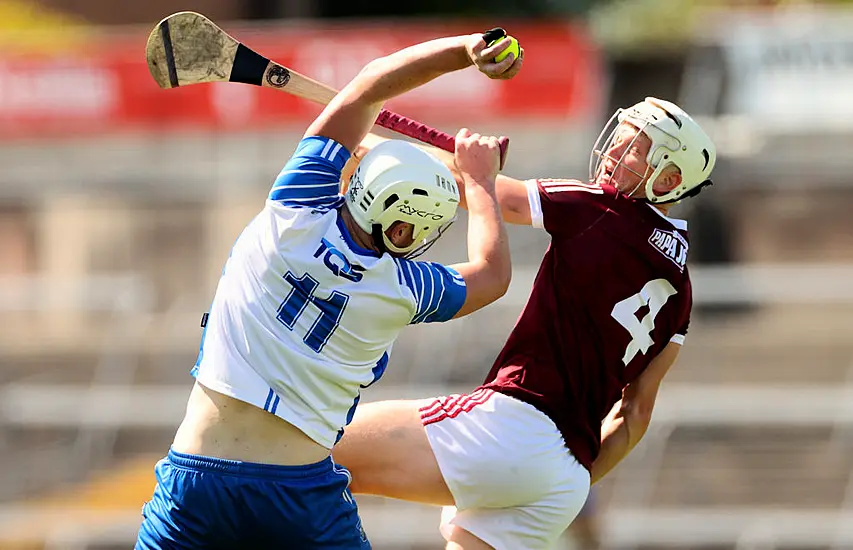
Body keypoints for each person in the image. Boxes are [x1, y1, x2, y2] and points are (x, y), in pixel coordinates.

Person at [135, 31, 523, 549]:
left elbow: (368, 87)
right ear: (409, 231)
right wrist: (479, 185)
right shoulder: (403, 288)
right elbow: (492, 275)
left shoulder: (294, 209)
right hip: (300, 500)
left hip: (195, 482)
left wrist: (468, 49)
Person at [334, 97, 716, 550]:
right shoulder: (682, 292)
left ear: (669, 179)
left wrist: (358, 143)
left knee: (307, 452)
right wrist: (560, 480)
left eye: (633, 148)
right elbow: (635, 414)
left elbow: (479, 192)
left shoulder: (603, 209)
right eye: (618, 138)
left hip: (514, 427)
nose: (613, 151)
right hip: (564, 479)